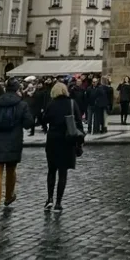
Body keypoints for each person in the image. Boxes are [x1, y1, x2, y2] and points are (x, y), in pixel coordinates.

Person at [0, 78, 34, 216]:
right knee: (11, 170)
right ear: (17, 90)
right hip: (14, 140)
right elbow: (28, 123)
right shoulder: (22, 105)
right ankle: (9, 196)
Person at [42, 81, 85, 211]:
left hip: (53, 139)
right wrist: (81, 140)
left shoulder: (51, 104)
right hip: (67, 139)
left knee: (51, 170)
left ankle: (49, 199)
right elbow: (79, 122)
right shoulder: (72, 103)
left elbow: (44, 120)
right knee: (63, 172)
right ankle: (58, 203)